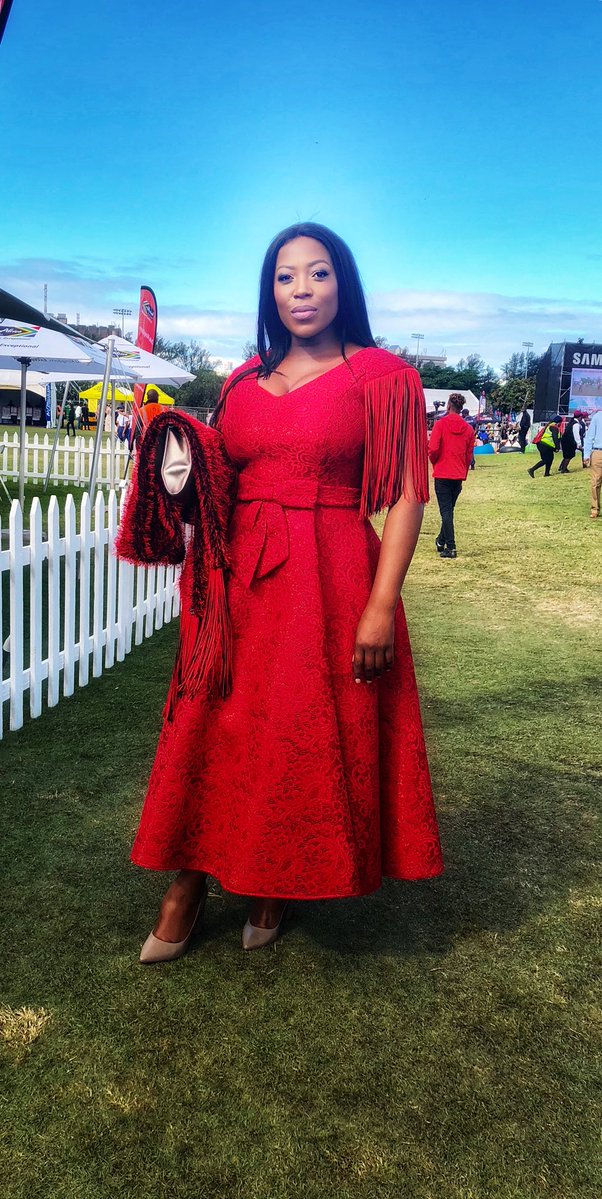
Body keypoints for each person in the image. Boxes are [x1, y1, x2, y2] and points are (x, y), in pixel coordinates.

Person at [119, 222, 443, 962]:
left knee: (296, 731)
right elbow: (218, 477)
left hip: (331, 578)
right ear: (270, 290)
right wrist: (177, 457)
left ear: (343, 283)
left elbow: (406, 496)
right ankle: (187, 883)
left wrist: (380, 605)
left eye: (319, 273)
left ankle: (271, 885)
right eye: (286, 276)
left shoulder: (385, 377)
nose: (302, 289)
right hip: (238, 579)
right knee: (213, 722)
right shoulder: (239, 381)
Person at [428, 392, 475, 559]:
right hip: (457, 474)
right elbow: (469, 455)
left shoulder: (440, 425)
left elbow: (433, 449)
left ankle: (451, 546)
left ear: (448, 406)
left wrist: (436, 462)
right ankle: (441, 541)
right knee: (448, 511)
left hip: (442, 473)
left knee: (446, 511)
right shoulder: (469, 429)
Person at [583, 408, 602, 518]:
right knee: (596, 482)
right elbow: (589, 437)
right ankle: (595, 508)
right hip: (598, 452)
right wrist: (586, 455)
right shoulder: (597, 417)